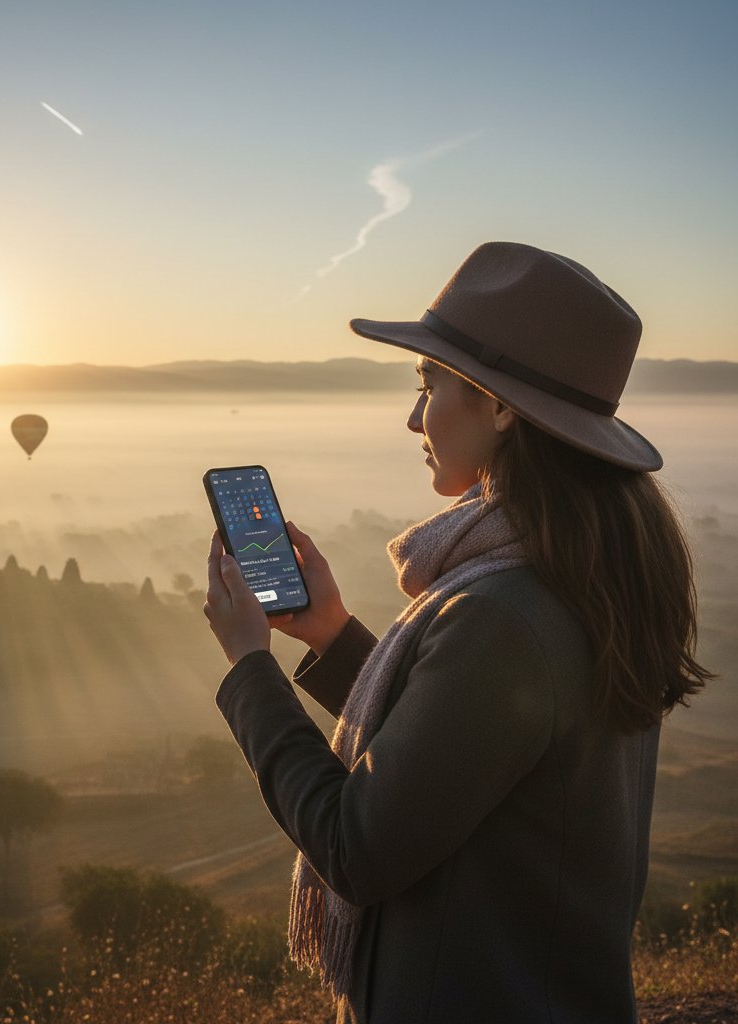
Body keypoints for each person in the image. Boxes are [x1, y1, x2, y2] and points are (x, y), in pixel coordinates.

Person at [203, 241, 712, 1024]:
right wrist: (336, 638)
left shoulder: (503, 614)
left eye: (428, 383)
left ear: (501, 407)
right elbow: (467, 747)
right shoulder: (581, 581)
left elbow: (355, 847)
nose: (415, 416)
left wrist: (250, 669)